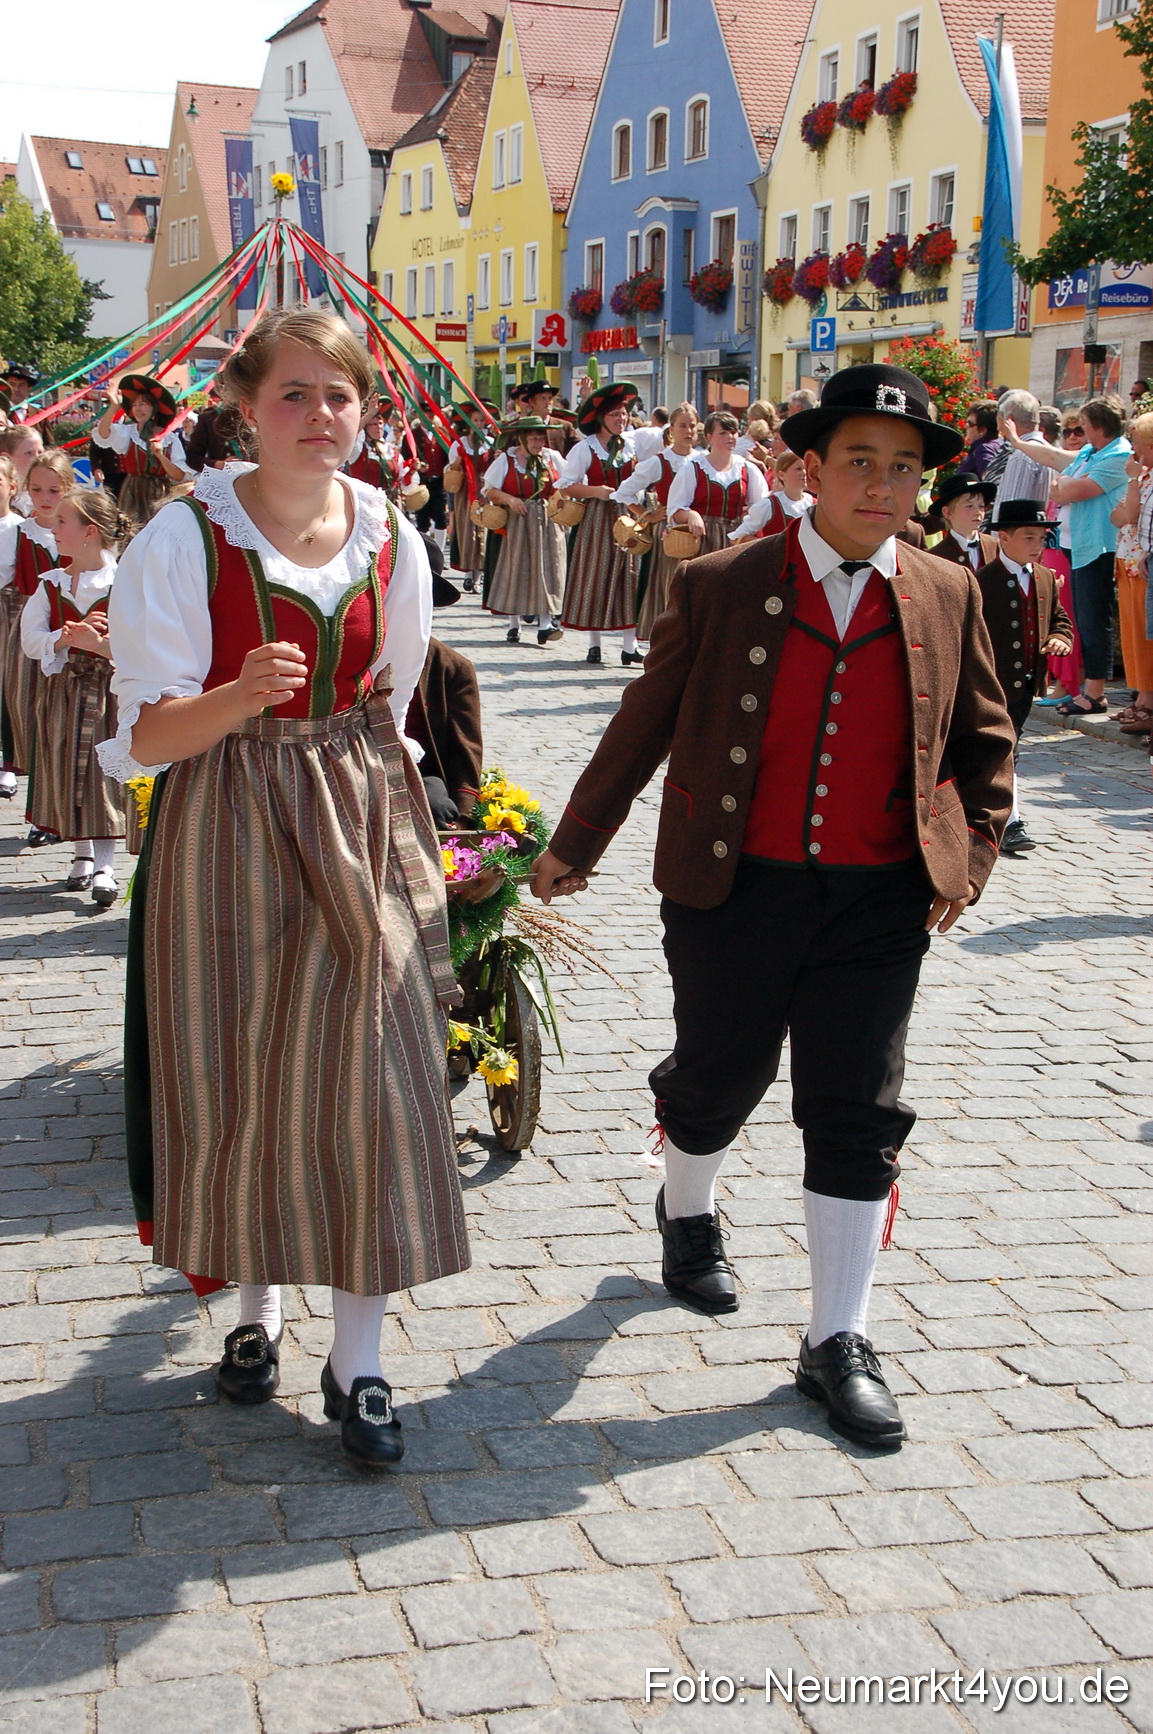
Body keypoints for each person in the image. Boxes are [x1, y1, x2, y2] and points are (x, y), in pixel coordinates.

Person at [530, 363, 1015, 1450]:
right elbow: (641, 722)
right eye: (860, 464)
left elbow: (985, 742)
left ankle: (835, 1338)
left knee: (856, 1107)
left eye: (903, 470)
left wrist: (967, 859)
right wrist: (576, 843)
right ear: (809, 469)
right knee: (718, 1075)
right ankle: (687, 1205)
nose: (883, 487)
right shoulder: (722, 584)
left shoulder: (945, 590)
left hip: (880, 900)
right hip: (729, 885)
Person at [96, 309, 469, 1469]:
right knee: (247, 1073)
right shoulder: (181, 538)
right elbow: (146, 739)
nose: (320, 417)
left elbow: (397, 702)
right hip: (228, 821)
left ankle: (358, 1360)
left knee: (380, 1083)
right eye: (295, 395)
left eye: (340, 396)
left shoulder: (393, 534)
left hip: (358, 817)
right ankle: (255, 1316)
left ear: (367, 412)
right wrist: (242, 695)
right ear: (247, 409)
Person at [20, 489, 126, 904]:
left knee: (103, 775)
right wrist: (62, 638)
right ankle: (81, 856)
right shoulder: (52, 584)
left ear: (90, 532)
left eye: (64, 522)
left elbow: (142, 644)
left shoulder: (124, 582)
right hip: (64, 692)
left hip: (108, 692)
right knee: (68, 767)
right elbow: (30, 641)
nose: (55, 528)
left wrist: (98, 643)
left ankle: (104, 865)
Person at [974, 500, 1074, 855]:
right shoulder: (982, 581)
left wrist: (1060, 637)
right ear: (1003, 538)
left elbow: (1059, 618)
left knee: (1011, 746)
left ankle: (994, 814)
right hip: (991, 684)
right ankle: (1010, 821)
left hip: (1028, 683)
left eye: (1042, 538)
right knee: (1004, 748)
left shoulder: (1045, 578)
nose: (1037, 545)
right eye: (1028, 537)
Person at [1043, 397, 1131, 716]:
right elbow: (1058, 484)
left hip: (1099, 546)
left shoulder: (1119, 454)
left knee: (1095, 620)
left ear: (1096, 426)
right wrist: (1064, 485)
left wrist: (1065, 486)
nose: (1080, 431)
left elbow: (1075, 490)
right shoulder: (1089, 452)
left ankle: (1095, 692)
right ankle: (1088, 688)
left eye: (1084, 425)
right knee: (1083, 619)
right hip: (1078, 546)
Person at [6, 451, 73, 838]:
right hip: (33, 634)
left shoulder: (80, 527)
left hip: (75, 635)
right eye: (36, 489)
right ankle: (42, 814)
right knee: (32, 719)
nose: (44, 498)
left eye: (53, 489)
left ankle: (66, 815)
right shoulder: (19, 530)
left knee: (66, 726)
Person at [557, 382, 641, 666]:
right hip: (596, 518)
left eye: (624, 414)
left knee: (629, 577)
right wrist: (596, 491)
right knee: (596, 574)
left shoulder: (631, 445)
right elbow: (567, 486)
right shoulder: (586, 448)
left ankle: (630, 645)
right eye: (616, 414)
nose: (622, 419)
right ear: (602, 418)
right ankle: (594, 644)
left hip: (626, 516)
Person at [610, 401, 699, 643]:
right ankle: (663, 641)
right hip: (669, 533)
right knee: (666, 586)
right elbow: (623, 492)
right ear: (671, 429)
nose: (688, 431)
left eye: (692, 426)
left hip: (696, 532)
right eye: (683, 426)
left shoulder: (702, 460)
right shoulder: (660, 461)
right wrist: (648, 514)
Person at [484, 416, 567, 645]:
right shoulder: (507, 460)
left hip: (548, 521)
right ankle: (514, 624)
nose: (538, 442)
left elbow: (569, 482)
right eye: (533, 437)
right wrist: (510, 499)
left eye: (541, 437)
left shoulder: (552, 458)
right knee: (516, 568)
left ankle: (545, 624)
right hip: (518, 521)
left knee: (549, 568)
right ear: (522, 438)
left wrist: (562, 499)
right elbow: (489, 490)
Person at [666, 410, 769, 555]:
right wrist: (691, 515)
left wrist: (748, 528)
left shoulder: (747, 469)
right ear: (709, 437)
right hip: (702, 542)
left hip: (736, 541)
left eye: (733, 432)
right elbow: (675, 509)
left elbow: (761, 506)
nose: (730, 437)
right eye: (723, 433)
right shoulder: (693, 468)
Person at [93, 376, 192, 522]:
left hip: (160, 494)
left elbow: (179, 476)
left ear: (154, 407)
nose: (137, 409)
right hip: (133, 493)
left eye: (143, 404)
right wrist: (113, 407)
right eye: (134, 405)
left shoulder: (169, 439)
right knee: (132, 533)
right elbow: (103, 433)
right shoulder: (129, 433)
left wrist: (160, 456)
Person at [1109, 410, 1153, 732]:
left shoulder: (1142, 477)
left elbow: (1132, 513)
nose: (1134, 452)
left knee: (1144, 634)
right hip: (1128, 560)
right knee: (1132, 634)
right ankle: (1140, 697)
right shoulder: (1145, 476)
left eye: (1138, 444)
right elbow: (1117, 515)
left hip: (1143, 565)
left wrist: (1132, 481)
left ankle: (1148, 702)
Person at [446, 402, 493, 591]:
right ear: (468, 422)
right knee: (468, 530)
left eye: (482, 420)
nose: (479, 423)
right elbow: (452, 469)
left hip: (486, 489)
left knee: (484, 530)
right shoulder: (460, 443)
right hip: (466, 491)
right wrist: (459, 457)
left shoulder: (491, 442)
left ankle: (478, 577)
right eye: (475, 420)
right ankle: (468, 574)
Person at [729, 447, 811, 542]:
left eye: (805, 468)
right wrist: (769, 546)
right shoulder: (769, 505)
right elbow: (737, 537)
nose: (804, 473)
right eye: (798, 469)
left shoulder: (814, 503)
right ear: (781, 475)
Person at [993, 390, 1054, 514]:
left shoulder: (1021, 456)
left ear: (1009, 419)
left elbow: (1012, 509)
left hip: (1018, 531)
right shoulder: (1049, 451)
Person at [928, 474, 998, 570]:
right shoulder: (936, 555)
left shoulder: (992, 544)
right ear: (948, 512)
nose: (977, 512)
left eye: (981, 506)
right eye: (969, 506)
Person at [955, 401, 1003, 480]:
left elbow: (989, 480)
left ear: (983, 430)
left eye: (970, 423)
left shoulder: (984, 449)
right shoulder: (1001, 443)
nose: (966, 426)